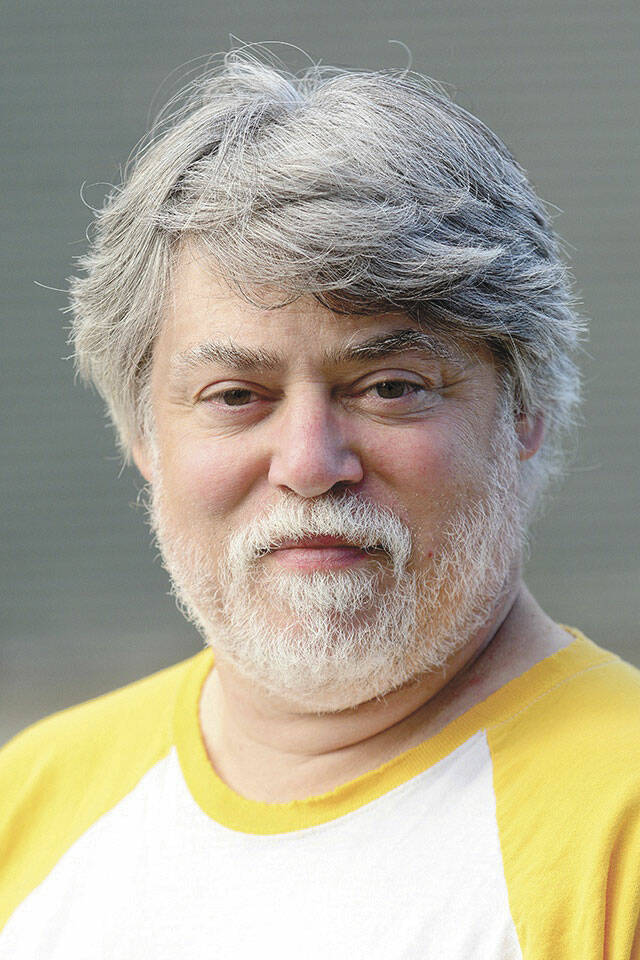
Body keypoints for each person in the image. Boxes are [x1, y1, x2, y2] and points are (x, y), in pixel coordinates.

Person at [1, 50, 638, 959]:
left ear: (524, 410)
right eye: (235, 396)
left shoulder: (621, 831)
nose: (309, 464)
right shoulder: (27, 807)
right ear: (142, 435)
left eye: (390, 387)